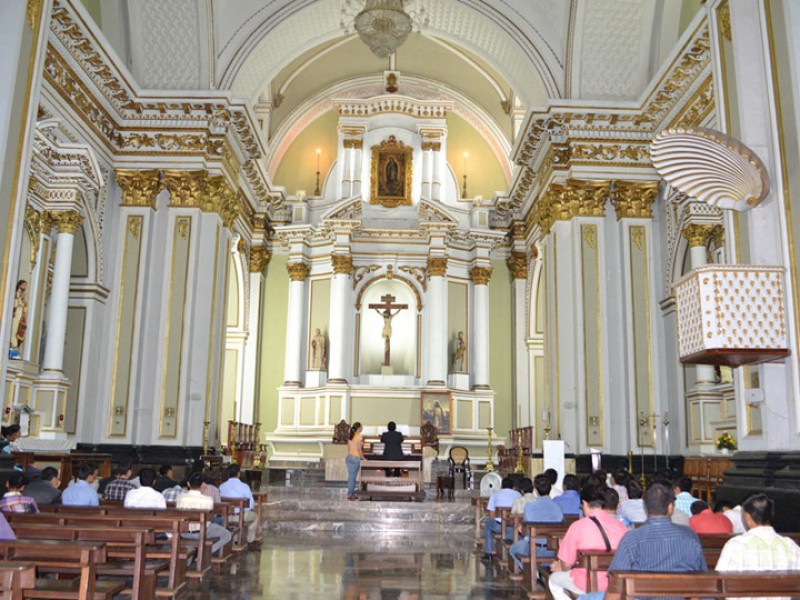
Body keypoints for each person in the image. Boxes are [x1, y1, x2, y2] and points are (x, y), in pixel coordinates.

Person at [579, 482, 707, 600]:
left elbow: (616, 582)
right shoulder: (690, 536)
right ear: (670, 508)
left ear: (646, 507)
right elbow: (702, 577)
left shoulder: (632, 538)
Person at [547, 486, 629, 600]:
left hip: (584, 582)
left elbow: (566, 564)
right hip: (615, 583)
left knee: (554, 579)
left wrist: (563, 568)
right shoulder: (621, 526)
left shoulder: (578, 526)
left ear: (585, 503)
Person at [716, 493, 800, 600]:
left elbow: (719, 583)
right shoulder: (790, 545)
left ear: (747, 516)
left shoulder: (735, 545)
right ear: (771, 515)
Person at [508, 475, 564, 570]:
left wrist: (522, 533)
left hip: (534, 548)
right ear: (550, 489)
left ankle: (533, 571)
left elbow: (526, 532)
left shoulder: (530, 506)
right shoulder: (558, 507)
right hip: (553, 550)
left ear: (536, 491)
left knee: (513, 550)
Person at [177, 471, 232, 556]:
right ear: (202, 484)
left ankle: (193, 554)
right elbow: (211, 517)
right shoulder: (207, 500)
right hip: (202, 532)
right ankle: (206, 553)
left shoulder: (180, 498)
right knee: (227, 535)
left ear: (188, 484)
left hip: (184, 532)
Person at [482, 476, 521, 561]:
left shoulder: (495, 494)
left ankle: (489, 553)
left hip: (498, 526)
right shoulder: (518, 495)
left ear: (501, 486)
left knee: (488, 523)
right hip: (514, 526)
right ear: (513, 487)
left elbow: (491, 514)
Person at [219, 464, 259, 547]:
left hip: (225, 516)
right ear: (238, 474)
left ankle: (235, 540)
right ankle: (250, 541)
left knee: (234, 523)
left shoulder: (222, 486)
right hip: (241, 515)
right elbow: (250, 505)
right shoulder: (244, 486)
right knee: (255, 517)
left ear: (228, 474)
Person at [9, 280, 28, 359]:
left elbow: (24, 305)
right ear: (19, 285)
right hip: (16, 313)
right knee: (14, 329)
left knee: (19, 329)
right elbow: (15, 303)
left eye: (25, 285)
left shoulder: (22, 294)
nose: (25, 287)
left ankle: (15, 346)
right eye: (24, 285)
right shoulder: (16, 293)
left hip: (20, 314)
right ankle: (12, 345)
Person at [346, 422, 364, 500]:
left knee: (351, 476)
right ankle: (350, 494)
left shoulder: (351, 436)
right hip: (355, 457)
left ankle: (351, 493)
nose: (362, 428)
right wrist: (363, 458)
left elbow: (349, 448)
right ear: (359, 428)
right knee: (352, 477)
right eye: (361, 427)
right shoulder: (359, 437)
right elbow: (359, 449)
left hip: (349, 457)